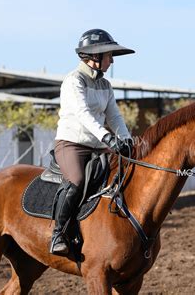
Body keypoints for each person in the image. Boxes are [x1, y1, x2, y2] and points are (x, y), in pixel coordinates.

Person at [50, 29, 134, 255]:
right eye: (109, 55)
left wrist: (126, 139)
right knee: (77, 180)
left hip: (97, 146)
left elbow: (114, 116)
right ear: (94, 56)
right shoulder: (73, 80)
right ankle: (59, 232)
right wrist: (107, 136)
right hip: (71, 144)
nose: (112, 60)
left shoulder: (105, 85)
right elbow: (82, 113)